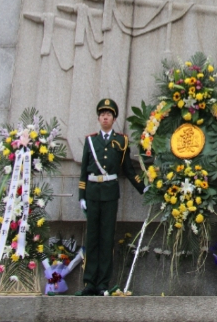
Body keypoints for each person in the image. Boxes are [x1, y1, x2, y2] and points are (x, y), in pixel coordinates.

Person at [77, 98, 145, 296]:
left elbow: (128, 171)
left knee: (107, 239)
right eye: (102, 114)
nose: (105, 117)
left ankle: (103, 283)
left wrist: (143, 188)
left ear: (114, 118)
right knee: (92, 238)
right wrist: (82, 194)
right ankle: (89, 282)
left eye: (109, 114)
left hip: (109, 194)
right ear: (98, 118)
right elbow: (83, 171)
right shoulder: (90, 140)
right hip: (92, 193)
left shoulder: (122, 141)